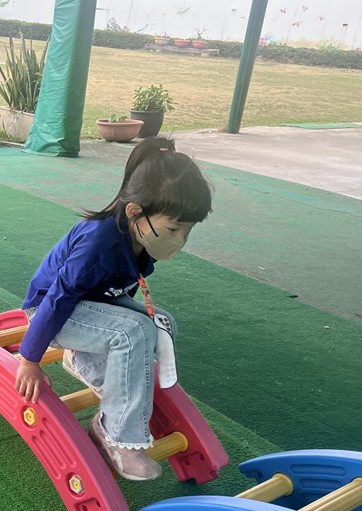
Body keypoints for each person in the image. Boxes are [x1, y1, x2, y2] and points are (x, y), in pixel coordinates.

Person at [14, 137, 214, 481]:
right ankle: (115, 434)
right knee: (131, 331)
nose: (180, 239)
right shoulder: (97, 244)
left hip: (95, 304)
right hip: (53, 311)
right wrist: (29, 360)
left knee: (161, 323)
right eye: (174, 228)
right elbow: (58, 298)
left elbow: (121, 287)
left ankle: (88, 364)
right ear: (135, 212)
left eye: (187, 229)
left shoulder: (144, 237)